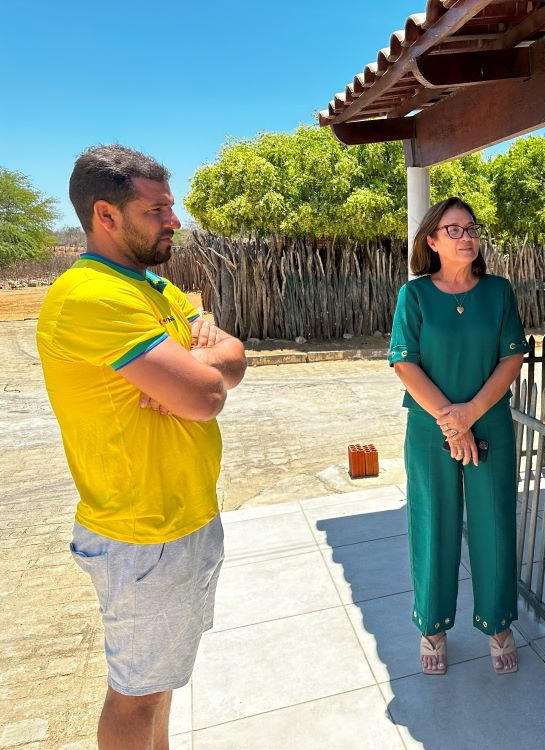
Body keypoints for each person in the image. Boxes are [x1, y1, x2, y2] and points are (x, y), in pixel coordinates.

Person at [36, 145, 246, 750]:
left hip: (182, 519)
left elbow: (231, 356)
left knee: (162, 682)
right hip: (143, 532)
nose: (174, 220)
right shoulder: (92, 296)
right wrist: (197, 374)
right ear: (106, 214)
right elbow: (208, 397)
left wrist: (193, 367)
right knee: (136, 694)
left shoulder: (152, 287)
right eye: (158, 210)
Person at [389, 196, 529, 675]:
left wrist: (470, 414)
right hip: (430, 427)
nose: (467, 236)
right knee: (433, 522)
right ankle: (432, 625)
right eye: (454, 230)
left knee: (494, 521)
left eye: (471, 228)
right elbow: (404, 363)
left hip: (487, 419)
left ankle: (497, 622)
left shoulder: (498, 292)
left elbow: (512, 357)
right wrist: (452, 421)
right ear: (431, 240)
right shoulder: (415, 296)